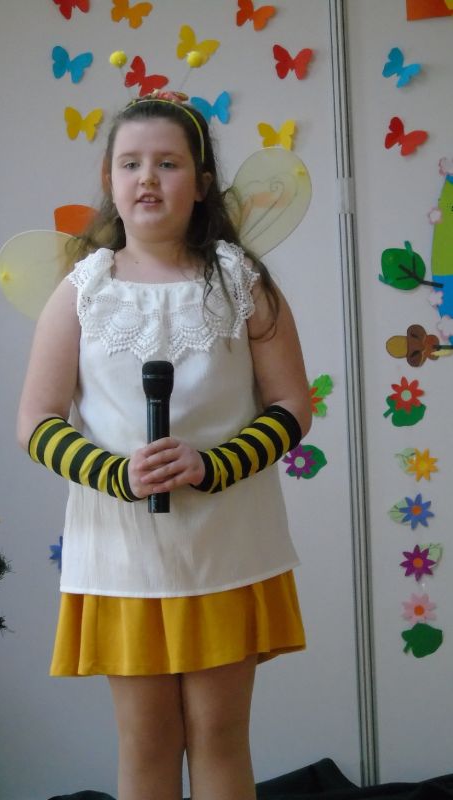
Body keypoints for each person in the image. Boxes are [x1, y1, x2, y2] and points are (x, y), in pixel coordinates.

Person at [17, 90, 312, 800]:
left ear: (201, 183)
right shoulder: (81, 291)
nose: (147, 178)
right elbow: (37, 420)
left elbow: (291, 406)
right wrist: (114, 473)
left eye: (168, 163)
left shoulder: (240, 283)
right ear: (109, 181)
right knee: (147, 741)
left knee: (218, 732)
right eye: (131, 164)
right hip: (122, 556)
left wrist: (214, 464)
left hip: (226, 544)